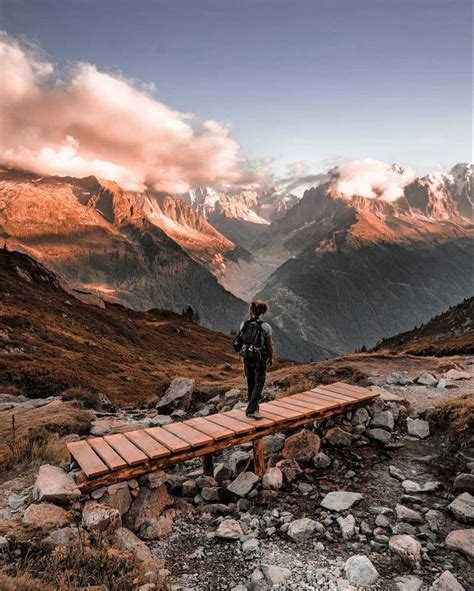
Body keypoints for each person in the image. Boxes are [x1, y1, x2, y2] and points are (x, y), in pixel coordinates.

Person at [236, 301, 274, 419]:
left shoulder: (244, 324)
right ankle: (251, 410)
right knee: (260, 382)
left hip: (247, 356)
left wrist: (242, 355)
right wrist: (271, 356)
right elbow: (269, 345)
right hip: (259, 357)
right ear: (262, 312)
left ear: (250, 311)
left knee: (251, 382)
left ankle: (254, 408)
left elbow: (241, 341)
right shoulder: (265, 326)